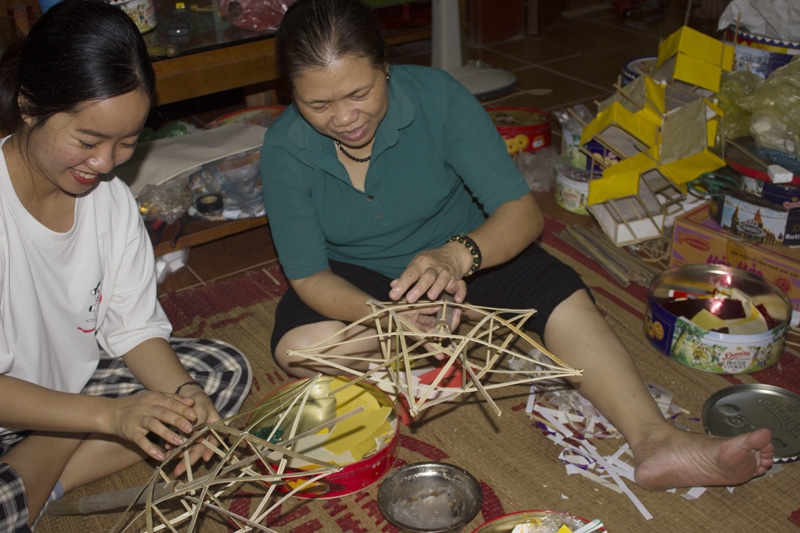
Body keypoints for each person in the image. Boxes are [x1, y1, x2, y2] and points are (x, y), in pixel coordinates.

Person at [260, 0, 774, 493]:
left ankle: (654, 439)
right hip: (359, 277)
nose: (345, 118)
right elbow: (308, 276)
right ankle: (418, 360)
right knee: (298, 349)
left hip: (463, 255)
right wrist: (384, 318)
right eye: (318, 104)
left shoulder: (438, 98)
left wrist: (457, 256)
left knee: (559, 293)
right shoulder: (285, 149)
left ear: (387, 68)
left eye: (359, 93)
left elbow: (522, 214)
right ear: (292, 95)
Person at [0, 1, 252, 530]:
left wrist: (185, 398)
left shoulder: (108, 200)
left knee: (218, 376)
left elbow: (133, 327)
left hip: (77, 390)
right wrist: (108, 416)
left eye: (128, 143)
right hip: (25, 405)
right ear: (28, 105)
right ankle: (59, 440)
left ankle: (46, 475)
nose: (107, 163)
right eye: (88, 141)